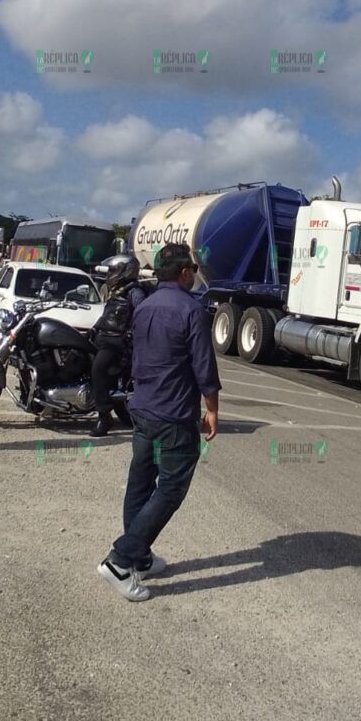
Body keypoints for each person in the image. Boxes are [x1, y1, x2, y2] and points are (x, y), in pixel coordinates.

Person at [98, 242, 221, 602]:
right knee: (169, 489)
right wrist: (212, 408)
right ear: (184, 273)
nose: (195, 277)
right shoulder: (191, 309)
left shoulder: (145, 304)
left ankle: (140, 556)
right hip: (174, 414)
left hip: (143, 408)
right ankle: (121, 561)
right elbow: (204, 367)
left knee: (139, 483)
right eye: (193, 272)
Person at [90, 255, 150, 438]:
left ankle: (104, 415)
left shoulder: (134, 292)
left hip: (118, 341)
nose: (111, 274)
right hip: (104, 336)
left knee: (98, 370)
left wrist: (132, 336)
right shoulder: (116, 289)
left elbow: (143, 315)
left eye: (114, 270)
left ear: (125, 271)